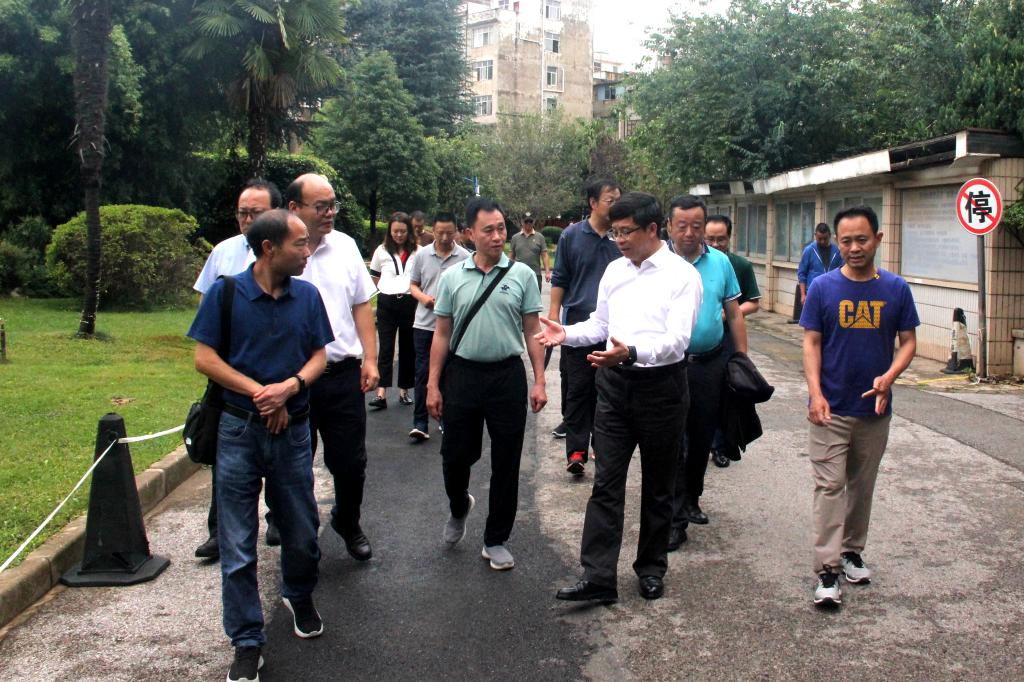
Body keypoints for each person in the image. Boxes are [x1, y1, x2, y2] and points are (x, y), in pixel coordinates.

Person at [187, 209, 334, 682]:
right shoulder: (226, 293)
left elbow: (319, 355)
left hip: (293, 430)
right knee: (237, 542)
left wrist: (289, 388)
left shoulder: (307, 296)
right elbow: (204, 357)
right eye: (299, 243)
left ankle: (298, 592)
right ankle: (247, 640)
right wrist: (260, 393)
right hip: (238, 430)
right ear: (269, 248)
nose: (308, 251)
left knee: (302, 528)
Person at [540, 192, 702, 603]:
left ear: (653, 229)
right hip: (614, 388)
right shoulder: (614, 270)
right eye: (615, 232)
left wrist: (631, 352)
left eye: (627, 232)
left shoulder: (682, 276)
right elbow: (600, 324)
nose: (620, 240)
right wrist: (566, 334)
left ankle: (651, 568)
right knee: (606, 483)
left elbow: (677, 342)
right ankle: (598, 577)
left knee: (658, 485)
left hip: (662, 389)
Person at [800, 206, 918, 607]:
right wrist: (815, 393)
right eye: (846, 241)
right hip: (829, 409)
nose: (854, 248)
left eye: (862, 240)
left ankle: (852, 551)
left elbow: (909, 342)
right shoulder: (823, 288)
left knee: (862, 486)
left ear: (878, 239)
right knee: (829, 486)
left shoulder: (896, 289)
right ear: (837, 242)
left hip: (873, 411)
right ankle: (827, 570)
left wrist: (890, 376)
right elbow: (811, 342)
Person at [426, 197, 547, 571]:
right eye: (488, 230)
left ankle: (495, 539)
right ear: (469, 234)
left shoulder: (521, 275)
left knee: (507, 460)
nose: (497, 236)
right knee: (455, 456)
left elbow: (532, 330)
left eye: (501, 228)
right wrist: (432, 384)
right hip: (462, 375)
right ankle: (459, 504)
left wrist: (540, 380)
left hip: (506, 377)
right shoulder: (452, 278)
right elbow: (441, 334)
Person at [287, 173, 379, 562]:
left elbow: (361, 305)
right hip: (293, 381)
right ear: (294, 208)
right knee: (294, 464)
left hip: (342, 375)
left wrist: (371, 358)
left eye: (333, 205)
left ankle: (347, 519)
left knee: (350, 462)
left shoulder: (345, 247)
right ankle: (299, 534)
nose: (330, 213)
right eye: (321, 206)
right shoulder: (281, 252)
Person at [192, 178, 281, 560]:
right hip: (229, 375)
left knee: (278, 450)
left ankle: (278, 518)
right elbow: (205, 311)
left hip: (277, 373)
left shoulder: (289, 255)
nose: (247, 219)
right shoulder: (223, 252)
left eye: (255, 213)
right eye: (242, 213)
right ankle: (220, 532)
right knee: (226, 458)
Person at [665, 196, 747, 551]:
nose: (689, 233)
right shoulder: (657, 264)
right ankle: (674, 517)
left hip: (709, 364)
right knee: (672, 440)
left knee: (701, 437)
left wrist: (741, 359)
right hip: (668, 367)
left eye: (696, 226)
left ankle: (692, 498)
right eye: (682, 226)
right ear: (668, 227)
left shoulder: (720, 262)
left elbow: (734, 312)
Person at [548, 177, 622, 476]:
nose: (616, 206)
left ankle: (602, 447)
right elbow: (560, 277)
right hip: (578, 321)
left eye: (619, 200)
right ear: (593, 203)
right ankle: (576, 450)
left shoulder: (622, 237)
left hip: (615, 326)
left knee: (609, 391)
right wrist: (554, 315)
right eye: (610, 200)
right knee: (577, 388)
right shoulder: (571, 235)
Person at [704, 214, 761, 468]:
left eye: (721, 239)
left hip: (727, 338)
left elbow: (753, 302)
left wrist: (729, 312)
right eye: (710, 239)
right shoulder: (691, 263)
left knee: (723, 393)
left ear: (729, 237)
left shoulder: (740, 265)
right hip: (699, 340)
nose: (716, 244)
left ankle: (720, 446)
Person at [407, 212, 470, 441]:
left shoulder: (465, 257)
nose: (444, 237)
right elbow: (413, 285)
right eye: (440, 232)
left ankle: (445, 419)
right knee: (423, 374)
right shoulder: (422, 255)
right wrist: (424, 298)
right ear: (432, 231)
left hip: (452, 326)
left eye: (449, 233)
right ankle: (420, 422)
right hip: (425, 325)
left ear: (456, 232)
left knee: (449, 376)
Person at [368, 212, 418, 410]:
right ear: (389, 231)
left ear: (409, 231)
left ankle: (404, 390)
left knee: (408, 348)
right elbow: (374, 276)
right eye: (395, 231)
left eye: (403, 231)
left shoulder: (418, 251)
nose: (399, 235)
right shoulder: (381, 251)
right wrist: (386, 288)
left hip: (409, 302)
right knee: (386, 347)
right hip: (387, 303)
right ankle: (381, 393)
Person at [798, 222, 842, 305]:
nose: (822, 241)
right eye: (820, 239)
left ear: (829, 235)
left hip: (832, 294)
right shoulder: (809, 250)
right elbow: (802, 273)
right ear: (815, 235)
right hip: (813, 293)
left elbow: (842, 272)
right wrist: (803, 295)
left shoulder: (837, 251)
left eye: (825, 238)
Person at [509, 216, 550, 293]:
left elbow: (544, 255)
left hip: (535, 274)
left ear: (533, 223)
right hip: (518, 274)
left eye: (530, 222)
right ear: (522, 223)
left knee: (535, 297)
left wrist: (547, 272)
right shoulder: (515, 238)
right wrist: (508, 271)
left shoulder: (540, 237)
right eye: (526, 222)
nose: (528, 223)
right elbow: (511, 255)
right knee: (518, 296)